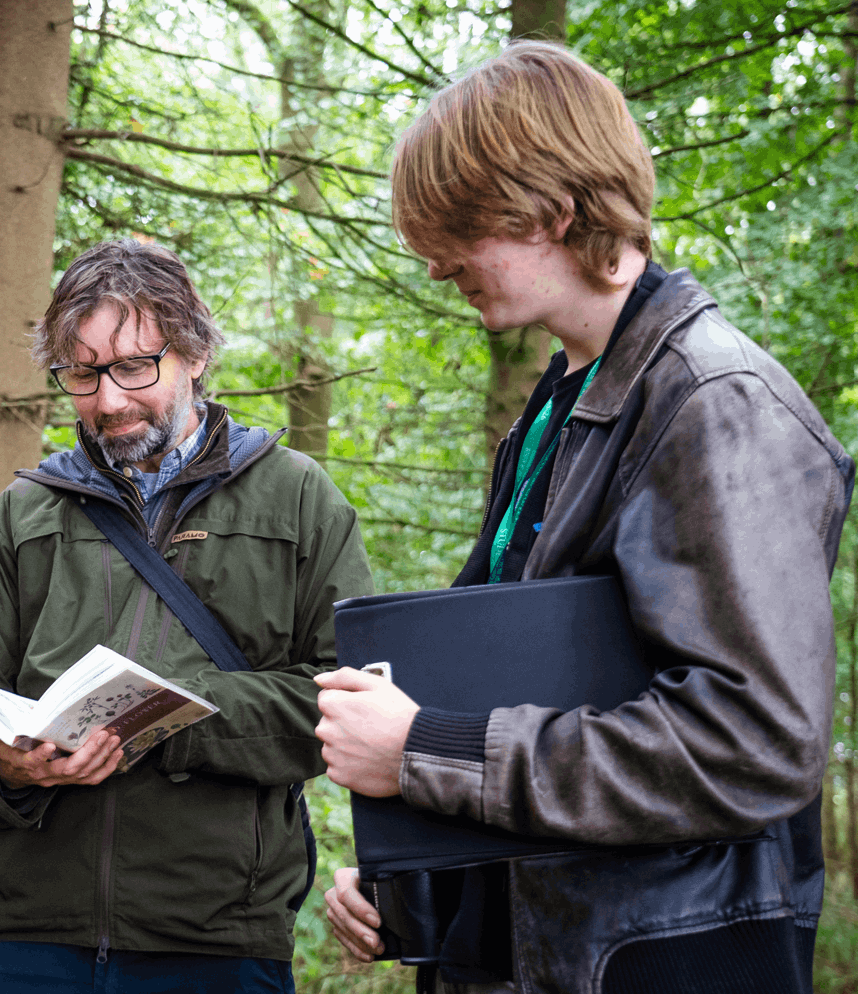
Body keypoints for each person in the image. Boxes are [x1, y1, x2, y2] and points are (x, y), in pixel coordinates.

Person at [315, 41, 854, 994]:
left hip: (660, 961)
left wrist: (425, 753)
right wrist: (419, 874)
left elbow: (753, 745)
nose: (435, 267)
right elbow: (540, 686)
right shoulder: (558, 406)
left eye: (455, 232)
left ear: (550, 211)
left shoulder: (714, 401)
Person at [0, 238, 375, 993]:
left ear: (194, 354)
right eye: (82, 374)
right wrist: (5, 767)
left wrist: (169, 716)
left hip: (214, 938)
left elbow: (348, 702)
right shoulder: (24, 512)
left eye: (134, 367)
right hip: (19, 931)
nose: (108, 400)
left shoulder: (298, 499)